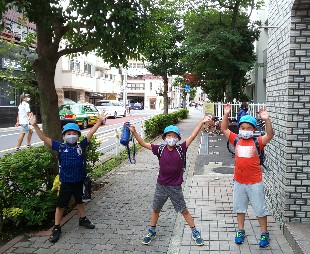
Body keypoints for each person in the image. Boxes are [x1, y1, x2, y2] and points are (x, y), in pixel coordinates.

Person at [127, 115, 212, 246]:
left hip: (175, 187)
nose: (171, 138)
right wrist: (134, 132)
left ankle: (195, 231)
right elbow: (143, 143)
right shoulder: (160, 149)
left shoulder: (181, 149)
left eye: (174, 136)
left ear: (178, 138)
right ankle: (152, 230)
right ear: (165, 138)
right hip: (161, 186)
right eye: (169, 136)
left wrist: (201, 122)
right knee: (156, 209)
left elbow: (193, 136)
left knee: (183, 210)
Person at [29, 111, 107, 243]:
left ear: (78, 135)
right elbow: (44, 138)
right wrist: (35, 126)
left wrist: (99, 121)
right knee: (60, 205)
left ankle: (83, 219)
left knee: (80, 201)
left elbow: (90, 133)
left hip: (79, 181)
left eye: (74, 133)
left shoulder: (81, 146)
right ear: (64, 135)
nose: (72, 136)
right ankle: (57, 227)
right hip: (65, 183)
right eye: (68, 134)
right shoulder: (60, 146)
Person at [221, 104, 274, 248]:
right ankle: (240, 230)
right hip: (239, 182)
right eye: (242, 128)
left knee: (260, 209)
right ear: (239, 129)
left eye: (248, 128)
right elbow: (224, 128)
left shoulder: (257, 142)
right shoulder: (236, 140)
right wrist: (226, 113)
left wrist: (267, 119)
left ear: (254, 130)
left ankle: (264, 232)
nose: (245, 130)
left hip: (255, 182)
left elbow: (270, 135)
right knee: (240, 208)